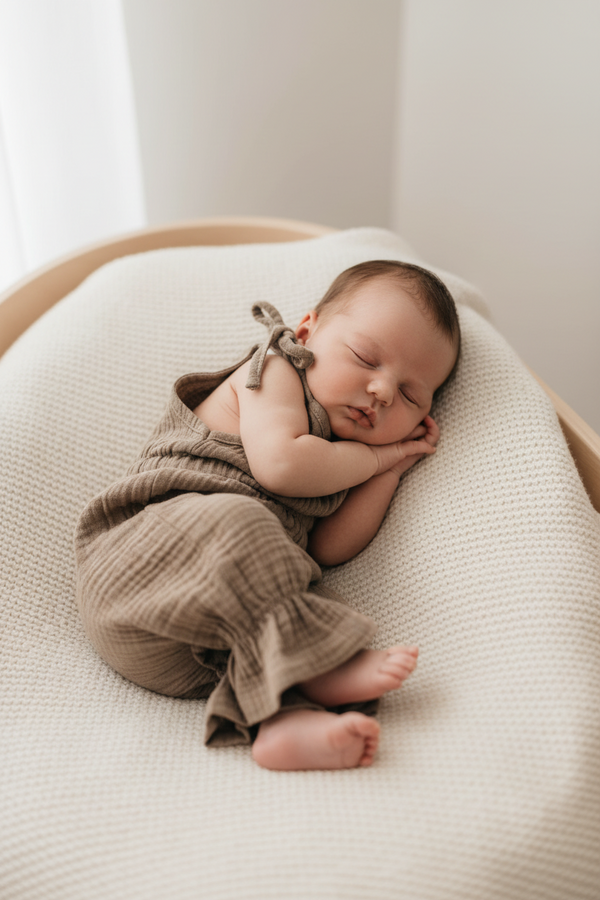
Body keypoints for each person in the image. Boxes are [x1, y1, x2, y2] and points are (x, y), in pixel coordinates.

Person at [74, 259, 460, 772]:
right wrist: (376, 458)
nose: (383, 391)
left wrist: (389, 473)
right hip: (135, 568)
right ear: (307, 332)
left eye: (411, 395)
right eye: (366, 358)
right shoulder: (275, 370)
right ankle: (323, 667)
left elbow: (328, 549)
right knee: (243, 524)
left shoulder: (338, 461)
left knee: (297, 578)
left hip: (193, 654)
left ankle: (283, 720)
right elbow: (280, 466)